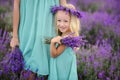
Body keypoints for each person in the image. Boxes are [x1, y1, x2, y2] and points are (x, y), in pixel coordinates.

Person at [10, 0, 67, 80]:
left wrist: (68, 33)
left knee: (48, 68)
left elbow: (63, 4)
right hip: (28, 29)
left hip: (48, 26)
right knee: (27, 71)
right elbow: (16, 5)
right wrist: (15, 36)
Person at [48, 4, 81, 80]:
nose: (61, 24)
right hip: (64, 67)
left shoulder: (67, 38)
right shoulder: (69, 34)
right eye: (59, 20)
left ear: (72, 22)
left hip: (61, 70)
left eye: (65, 21)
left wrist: (53, 42)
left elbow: (54, 54)